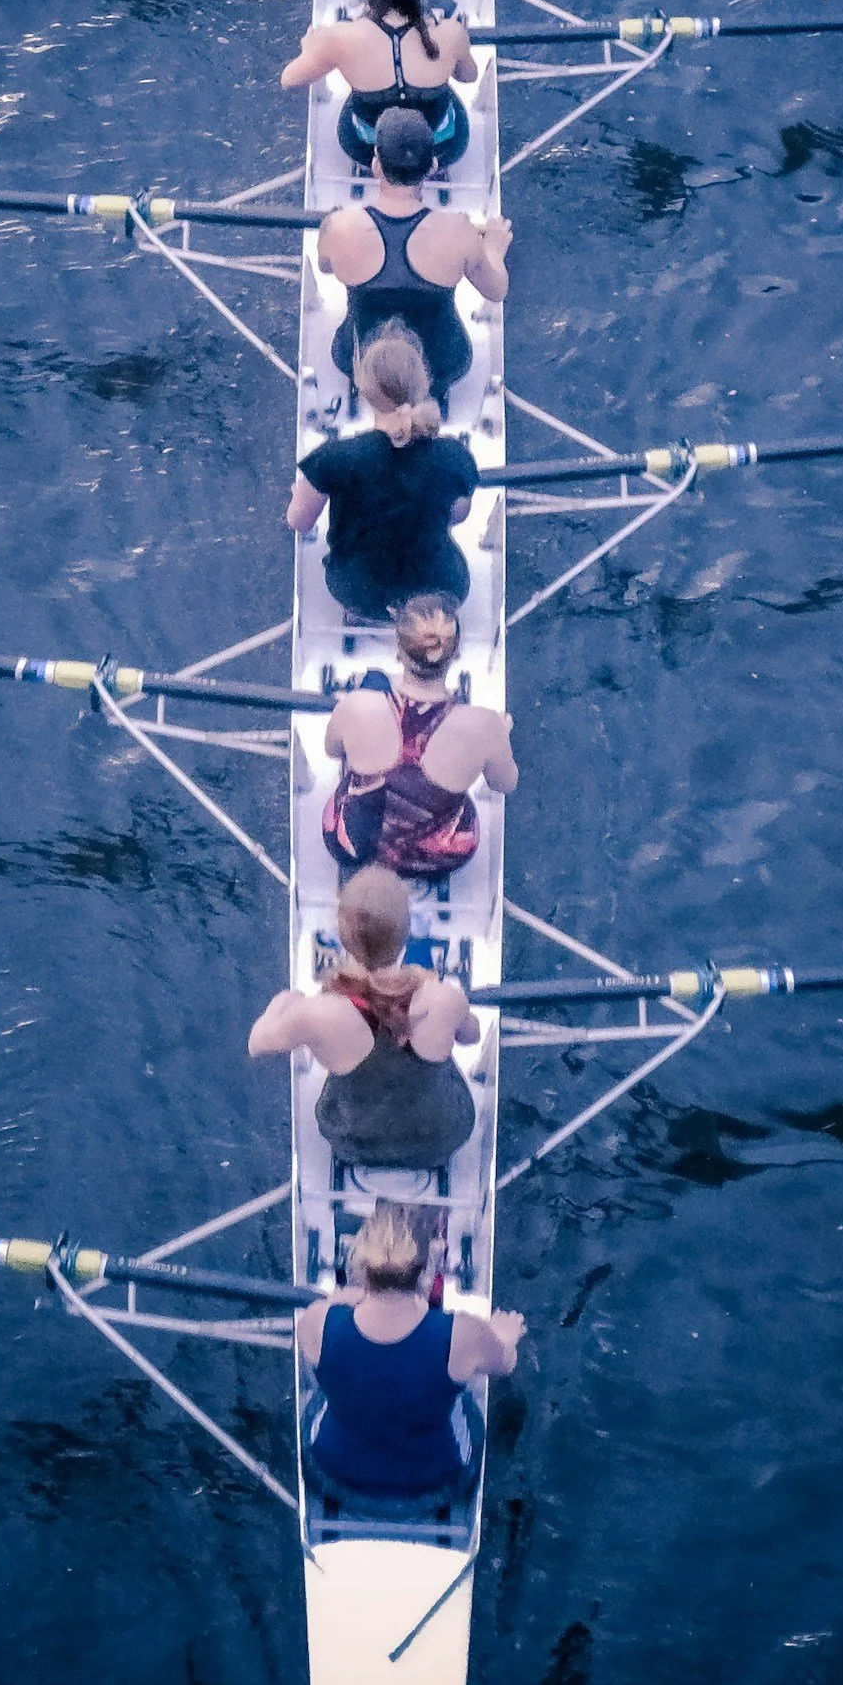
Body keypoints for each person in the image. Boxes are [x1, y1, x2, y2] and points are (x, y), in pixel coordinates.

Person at [248, 865, 479, 1170]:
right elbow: (471, 1036)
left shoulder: (317, 1014)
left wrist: (285, 1003)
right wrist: (440, 998)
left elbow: (256, 1043)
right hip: (441, 1138)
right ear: (406, 930)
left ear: (341, 934)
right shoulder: (443, 999)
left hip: (353, 1143)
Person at [299, 1204, 525, 1503]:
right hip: (432, 1486)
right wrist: (504, 1335)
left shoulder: (315, 1320)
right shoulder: (464, 1333)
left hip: (333, 1475)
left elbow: (329, 1326)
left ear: (361, 1266)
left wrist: (341, 1299)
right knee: (463, 1391)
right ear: (427, 1271)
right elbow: (505, 1364)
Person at [320, 107, 509, 415]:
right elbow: (497, 290)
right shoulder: (459, 231)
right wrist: (495, 248)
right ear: (433, 166)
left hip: (357, 360)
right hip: (442, 366)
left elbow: (327, 268)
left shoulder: (338, 227)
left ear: (376, 165)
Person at [289, 323, 478, 623]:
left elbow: (298, 521)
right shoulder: (456, 457)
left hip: (359, 593)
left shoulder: (334, 459)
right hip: (441, 592)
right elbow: (458, 514)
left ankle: (358, 616)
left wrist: (301, 491)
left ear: (363, 390)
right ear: (424, 383)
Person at [322, 593, 516, 882]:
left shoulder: (356, 705)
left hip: (352, 846)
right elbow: (505, 783)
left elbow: (332, 752)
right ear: (457, 651)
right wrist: (501, 736)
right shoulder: (486, 726)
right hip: (439, 859)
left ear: (398, 651)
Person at [281, 0, 475, 171]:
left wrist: (310, 47)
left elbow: (289, 79)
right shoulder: (451, 32)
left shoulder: (339, 38)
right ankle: (431, 169)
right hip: (443, 148)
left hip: (366, 150)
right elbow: (468, 76)